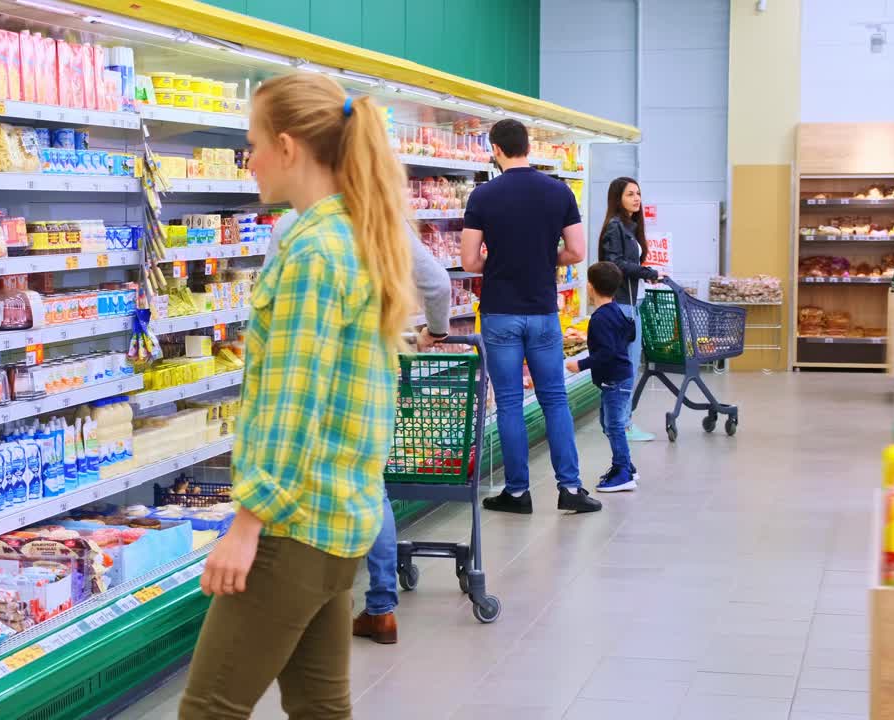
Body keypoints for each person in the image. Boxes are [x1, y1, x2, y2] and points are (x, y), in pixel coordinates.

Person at [178, 72, 416, 719]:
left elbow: (293, 402)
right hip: (342, 516)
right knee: (320, 707)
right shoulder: (356, 235)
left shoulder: (312, 251)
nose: (247, 158)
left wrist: (247, 524)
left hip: (293, 525)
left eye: (251, 142)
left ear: (287, 146)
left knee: (209, 708)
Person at [267, 211, 453, 645]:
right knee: (370, 486)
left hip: (308, 371)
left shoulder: (293, 223)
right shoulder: (384, 219)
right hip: (371, 371)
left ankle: (317, 609)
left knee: (310, 488)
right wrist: (436, 332)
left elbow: (271, 305)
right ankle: (382, 608)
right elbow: (439, 285)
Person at [460, 118, 600, 515]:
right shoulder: (558, 192)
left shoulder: (483, 196)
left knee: (507, 402)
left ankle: (517, 492)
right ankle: (570, 488)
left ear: (497, 150)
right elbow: (575, 251)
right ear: (528, 147)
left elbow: (470, 260)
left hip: (500, 312)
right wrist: (542, 258)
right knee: (555, 398)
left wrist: (500, 260)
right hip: (543, 312)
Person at [598, 177, 662, 443]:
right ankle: (622, 425)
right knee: (626, 369)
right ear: (617, 198)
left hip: (632, 302)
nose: (636, 198)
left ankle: (617, 422)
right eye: (629, 195)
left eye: (638, 194)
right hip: (624, 305)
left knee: (624, 368)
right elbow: (615, 264)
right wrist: (645, 272)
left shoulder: (628, 227)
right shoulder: (615, 228)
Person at [566, 262, 637, 492]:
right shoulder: (617, 311)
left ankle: (623, 471)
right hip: (619, 377)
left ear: (589, 287)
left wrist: (581, 364)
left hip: (615, 380)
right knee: (608, 423)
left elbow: (607, 353)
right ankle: (626, 464)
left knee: (614, 425)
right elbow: (629, 335)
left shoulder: (599, 319)